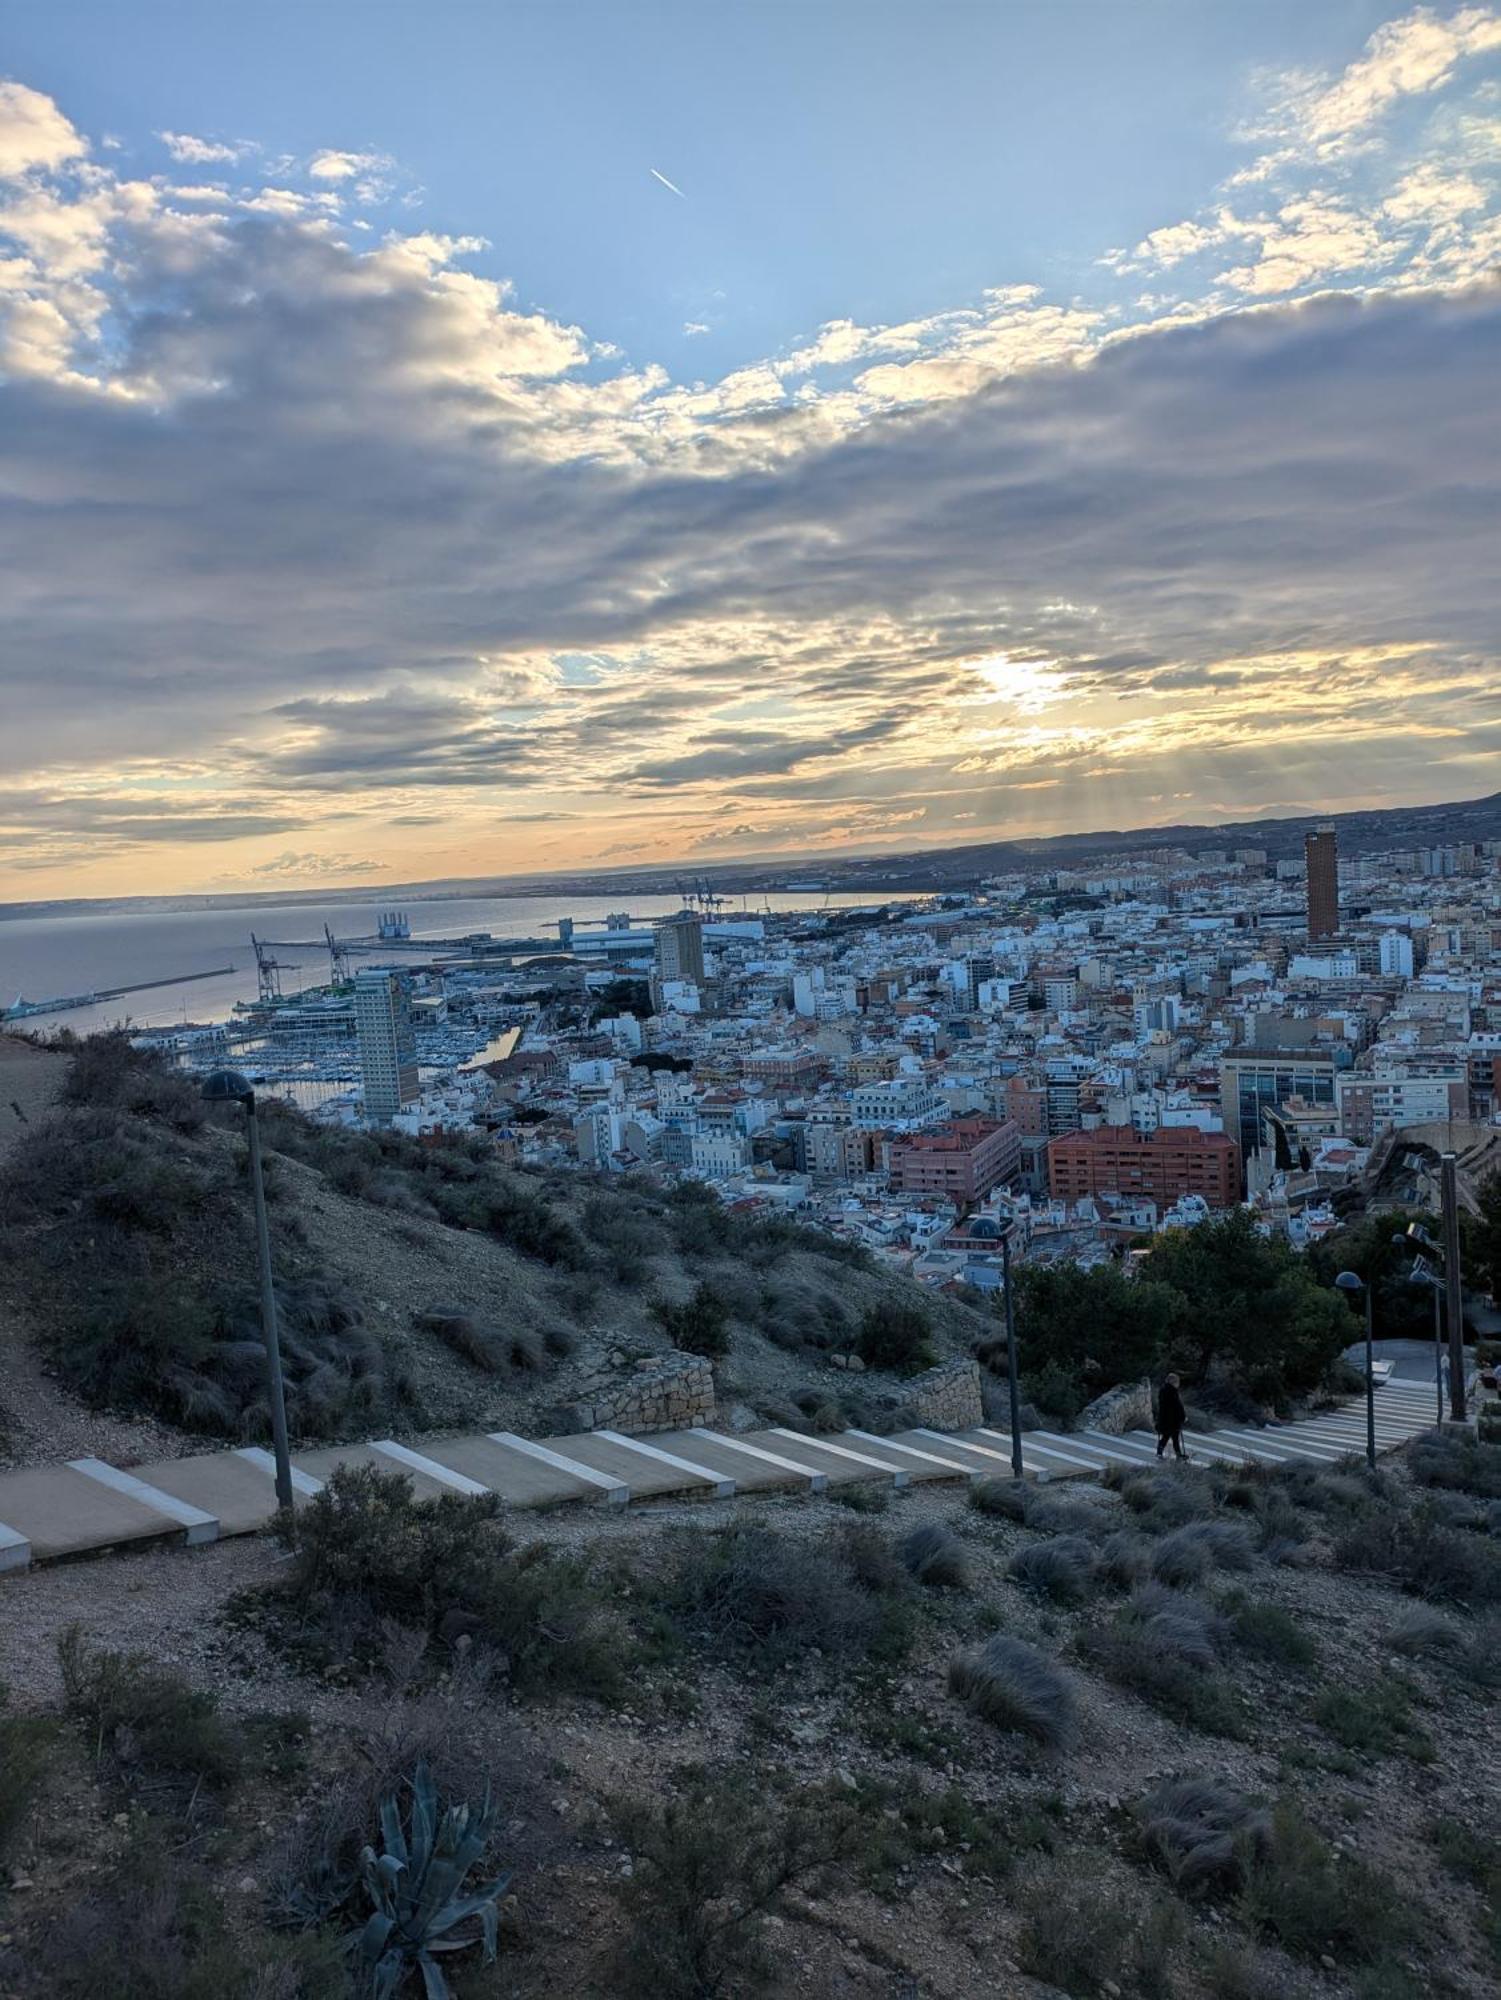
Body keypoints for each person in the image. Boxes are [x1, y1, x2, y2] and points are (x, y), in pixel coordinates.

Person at [1156, 1372, 1187, 1461]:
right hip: (1173, 1419)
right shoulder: (1173, 1392)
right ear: (1173, 1382)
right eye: (1177, 1382)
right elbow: (1178, 1406)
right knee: (1174, 1437)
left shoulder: (1163, 1390)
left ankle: (1160, 1452)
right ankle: (1178, 1455)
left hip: (1164, 1418)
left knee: (1166, 1436)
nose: (1178, 1384)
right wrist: (1183, 1416)